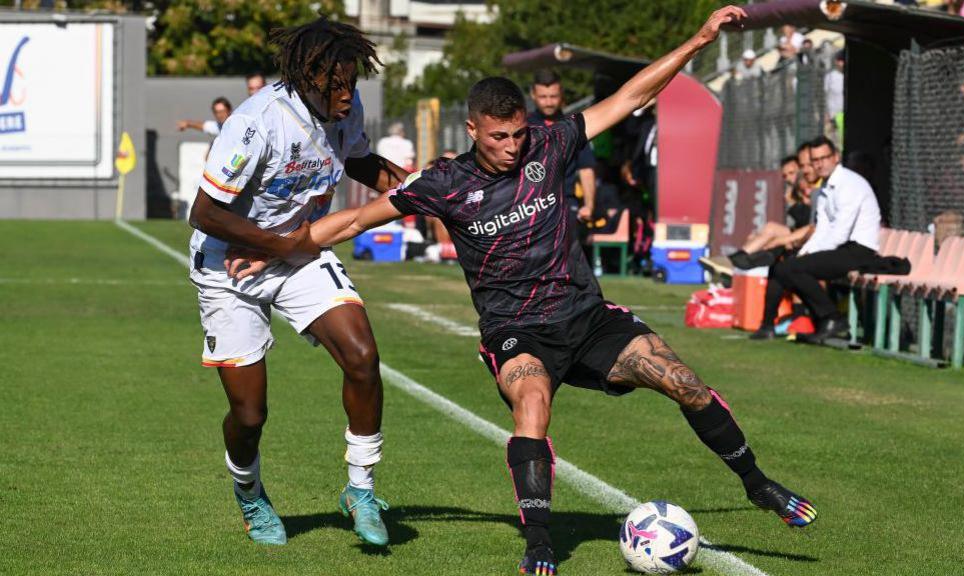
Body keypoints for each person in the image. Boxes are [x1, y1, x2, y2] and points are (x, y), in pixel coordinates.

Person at [227, 6, 817, 573]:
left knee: (685, 381)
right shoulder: (446, 183)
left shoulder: (550, 145)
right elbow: (353, 221)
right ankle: (539, 544)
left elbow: (631, 96)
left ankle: (758, 485)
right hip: (515, 332)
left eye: (518, 134)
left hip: (587, 318)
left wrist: (700, 39)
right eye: (500, 136)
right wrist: (273, 246)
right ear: (474, 129)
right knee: (532, 404)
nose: (512, 146)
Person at [187, 17, 408, 547]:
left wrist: (414, 185)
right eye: (337, 85)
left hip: (298, 254)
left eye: (352, 83)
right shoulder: (257, 120)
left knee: (362, 356)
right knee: (250, 412)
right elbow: (204, 212)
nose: (347, 95)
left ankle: (360, 488)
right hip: (229, 268)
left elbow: (358, 161)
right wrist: (278, 244)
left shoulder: (343, 110)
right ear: (307, 76)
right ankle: (249, 493)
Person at [751, 136, 881, 342]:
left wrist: (809, 256)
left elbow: (840, 232)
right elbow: (822, 229)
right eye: (815, 160)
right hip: (841, 249)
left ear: (836, 157)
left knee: (794, 268)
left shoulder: (850, 184)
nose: (819, 164)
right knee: (782, 268)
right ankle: (767, 325)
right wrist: (805, 252)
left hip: (859, 251)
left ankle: (832, 318)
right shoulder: (825, 189)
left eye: (824, 158)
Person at [528, 70, 598, 242]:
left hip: (565, 203)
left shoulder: (573, 127)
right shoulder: (523, 127)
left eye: (553, 96)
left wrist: (589, 205)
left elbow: (586, 168)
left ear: (561, 95)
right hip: (529, 205)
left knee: (566, 261)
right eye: (543, 96)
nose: (549, 102)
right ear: (533, 95)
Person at [728, 154, 812, 269]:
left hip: (810, 235)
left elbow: (809, 222)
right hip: (799, 233)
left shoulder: (811, 189)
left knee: (771, 230)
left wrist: (793, 204)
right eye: (785, 175)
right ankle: (737, 265)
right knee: (753, 237)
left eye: (791, 173)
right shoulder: (794, 193)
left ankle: (733, 263)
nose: (788, 178)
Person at [824, 50, 845, 142]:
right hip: (833, 116)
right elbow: (825, 96)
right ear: (836, 62)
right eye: (841, 61)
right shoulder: (830, 77)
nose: (843, 63)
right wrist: (826, 113)